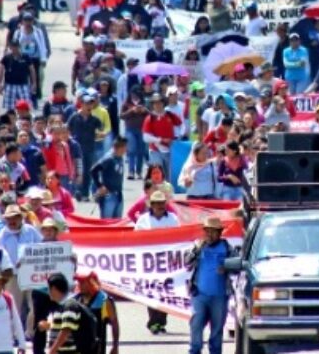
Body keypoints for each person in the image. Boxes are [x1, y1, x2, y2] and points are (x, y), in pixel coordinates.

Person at [186, 217, 234, 354]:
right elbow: (187, 263)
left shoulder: (227, 248)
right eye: (207, 231)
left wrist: (227, 267)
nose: (210, 235)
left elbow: (238, 265)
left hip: (219, 296)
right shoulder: (198, 245)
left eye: (213, 232)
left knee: (217, 329)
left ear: (220, 233)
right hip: (200, 295)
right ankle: (195, 350)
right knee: (196, 324)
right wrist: (197, 249)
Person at [134, 191, 180, 333]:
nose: (160, 206)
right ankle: (153, 321)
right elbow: (136, 238)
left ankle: (161, 321)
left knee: (165, 291)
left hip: (166, 261)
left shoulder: (172, 219)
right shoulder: (143, 220)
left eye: (162, 203)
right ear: (152, 205)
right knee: (152, 291)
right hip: (150, 262)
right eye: (157, 204)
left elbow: (179, 236)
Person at [43, 272, 96, 354]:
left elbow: (65, 331)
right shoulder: (61, 306)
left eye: (49, 289)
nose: (48, 292)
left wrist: (51, 351)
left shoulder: (69, 306)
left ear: (54, 289)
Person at [73, 269, 120, 354]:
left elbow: (114, 324)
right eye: (79, 282)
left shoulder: (104, 301)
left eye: (83, 282)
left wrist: (115, 346)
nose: (80, 285)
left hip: (96, 348)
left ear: (92, 283)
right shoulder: (75, 299)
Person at [90, 138, 128, 219]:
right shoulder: (109, 159)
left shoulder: (120, 158)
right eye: (124, 148)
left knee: (117, 222)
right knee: (106, 222)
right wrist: (100, 186)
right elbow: (94, 170)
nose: (125, 150)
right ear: (118, 148)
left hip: (118, 193)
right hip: (108, 195)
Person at [0, 41, 37, 111]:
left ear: (19, 47)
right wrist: (0, 84)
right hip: (10, 85)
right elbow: (1, 70)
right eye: (12, 47)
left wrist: (34, 83)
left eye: (16, 47)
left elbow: (32, 70)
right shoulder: (6, 58)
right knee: (10, 108)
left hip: (23, 85)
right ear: (10, 48)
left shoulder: (26, 57)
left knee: (25, 106)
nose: (15, 49)